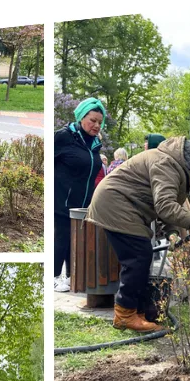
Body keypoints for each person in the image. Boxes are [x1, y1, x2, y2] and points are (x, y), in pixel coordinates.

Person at [86, 136, 190, 332]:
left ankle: (137, 313)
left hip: (125, 205)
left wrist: (173, 232)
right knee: (137, 257)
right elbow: (165, 206)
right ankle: (125, 315)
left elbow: (167, 205)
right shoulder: (167, 164)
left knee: (141, 256)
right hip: (116, 203)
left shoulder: (178, 169)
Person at [54, 97, 106, 293]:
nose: (96, 125)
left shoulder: (94, 143)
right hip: (61, 200)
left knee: (74, 240)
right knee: (62, 237)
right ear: (81, 117)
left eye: (100, 122)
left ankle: (69, 276)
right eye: (92, 120)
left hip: (83, 203)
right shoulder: (64, 137)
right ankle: (52, 276)